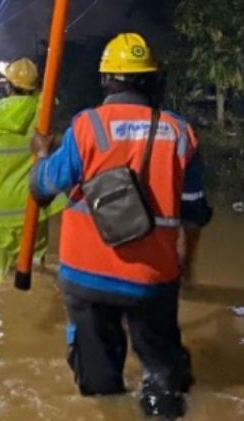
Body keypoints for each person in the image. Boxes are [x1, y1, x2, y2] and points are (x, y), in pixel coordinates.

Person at [28, 33, 213, 419]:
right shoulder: (181, 134)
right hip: (152, 279)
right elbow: (194, 213)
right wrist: (186, 265)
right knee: (165, 380)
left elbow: (42, 189)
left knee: (98, 387)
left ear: (106, 80)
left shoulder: (86, 127)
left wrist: (42, 154)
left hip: (86, 276)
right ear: (153, 80)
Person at [0, 57, 65, 285]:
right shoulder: (43, 113)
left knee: (2, 257)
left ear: (8, 86)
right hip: (38, 200)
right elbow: (48, 97)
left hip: (7, 203)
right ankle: (33, 295)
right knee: (35, 257)